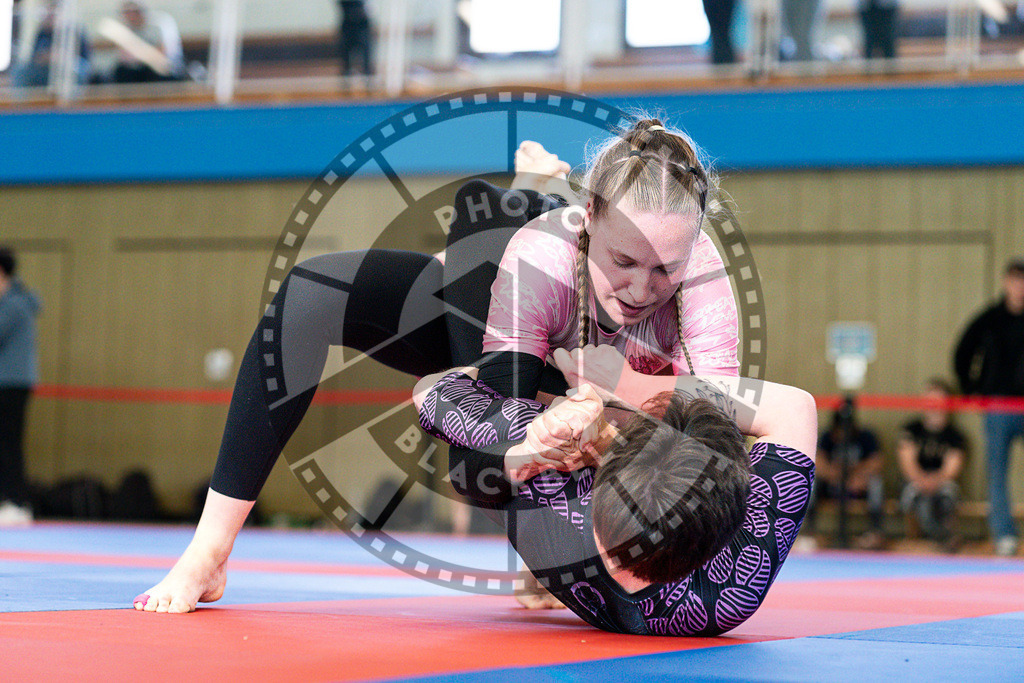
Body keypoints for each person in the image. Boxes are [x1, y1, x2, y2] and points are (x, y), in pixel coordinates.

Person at [133, 119, 740, 613]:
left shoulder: (705, 285)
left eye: (666, 269)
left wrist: (609, 413)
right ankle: (208, 552)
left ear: (694, 250)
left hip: (600, 396)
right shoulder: (540, 260)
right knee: (315, 291)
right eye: (625, 261)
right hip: (510, 315)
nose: (641, 289)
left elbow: (712, 441)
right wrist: (556, 435)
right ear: (587, 222)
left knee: (488, 221)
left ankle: (531, 189)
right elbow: (482, 450)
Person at [412, 358, 817, 635]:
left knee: (478, 455)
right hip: (533, 501)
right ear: (732, 522)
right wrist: (633, 394)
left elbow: (430, 389)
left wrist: (622, 393)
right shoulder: (732, 591)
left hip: (519, 472)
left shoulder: (554, 483)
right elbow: (795, 408)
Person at [954, 258, 1024, 557]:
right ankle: (1004, 535)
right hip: (997, 404)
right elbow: (963, 351)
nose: (1019, 287)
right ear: (1006, 282)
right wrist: (972, 388)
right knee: (997, 474)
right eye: (1015, 280)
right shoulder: (989, 319)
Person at [805, 397, 885, 549]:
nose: (841, 434)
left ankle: (875, 531)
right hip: (832, 486)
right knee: (811, 481)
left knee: (876, 483)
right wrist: (835, 477)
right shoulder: (827, 437)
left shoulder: (866, 436)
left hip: (858, 486)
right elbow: (818, 463)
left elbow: (876, 462)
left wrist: (857, 475)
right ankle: (811, 531)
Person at [896, 379, 966, 550]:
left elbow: (951, 469)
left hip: (940, 482)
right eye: (929, 400)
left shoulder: (955, 436)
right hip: (915, 481)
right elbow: (907, 463)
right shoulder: (912, 429)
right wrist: (921, 480)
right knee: (917, 498)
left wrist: (934, 481)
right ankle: (941, 538)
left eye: (938, 401)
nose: (933, 405)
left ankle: (941, 537)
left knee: (948, 493)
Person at [0, 247, 42, 527]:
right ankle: (12, 500)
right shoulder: (13, 301)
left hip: (10, 384)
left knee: (8, 444)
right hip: (12, 382)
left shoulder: (14, 303)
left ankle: (15, 502)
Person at [109, 0, 184, 83]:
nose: (131, 16)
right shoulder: (124, 28)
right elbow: (124, 57)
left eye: (135, 12)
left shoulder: (159, 25)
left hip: (163, 68)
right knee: (121, 71)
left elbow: (162, 54)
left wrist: (138, 54)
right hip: (137, 69)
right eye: (127, 12)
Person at [337, 0, 373, 80]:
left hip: (362, 23)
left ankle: (366, 72)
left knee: (365, 50)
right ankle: (348, 71)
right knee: (346, 50)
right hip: (348, 23)